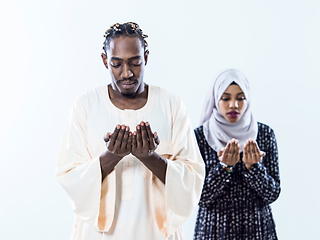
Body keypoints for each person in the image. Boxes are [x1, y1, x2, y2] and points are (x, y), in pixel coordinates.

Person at [56, 22, 205, 240]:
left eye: (135, 63)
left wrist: (149, 157)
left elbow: (193, 179)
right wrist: (111, 157)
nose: (127, 73)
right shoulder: (85, 105)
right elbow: (68, 176)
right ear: (105, 60)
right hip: (99, 235)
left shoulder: (171, 105)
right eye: (117, 64)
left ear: (146, 57)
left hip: (156, 233)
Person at [193, 69, 280, 240]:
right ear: (215, 98)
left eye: (240, 98)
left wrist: (253, 168)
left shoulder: (264, 134)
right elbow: (198, 197)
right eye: (226, 98)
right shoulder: (200, 137)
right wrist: (224, 167)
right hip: (214, 230)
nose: (234, 105)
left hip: (258, 229)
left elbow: (272, 193)